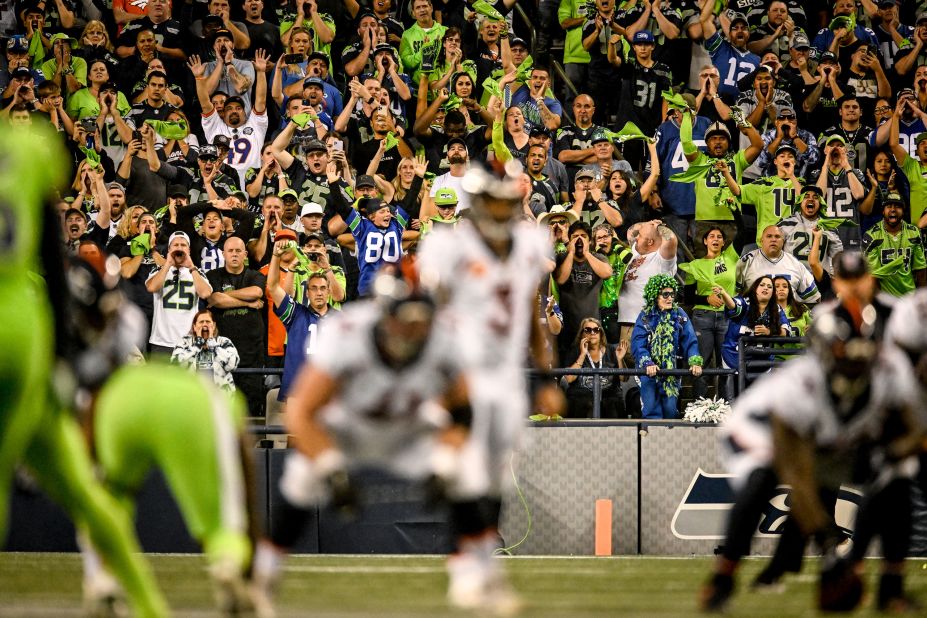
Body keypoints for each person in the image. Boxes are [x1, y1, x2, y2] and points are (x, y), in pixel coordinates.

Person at [253, 267, 504, 612]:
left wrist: (445, 462)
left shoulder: (446, 336)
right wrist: (331, 467)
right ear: (384, 312)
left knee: (469, 470)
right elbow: (300, 411)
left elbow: (463, 410)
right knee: (302, 478)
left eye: (422, 318)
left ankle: (470, 574)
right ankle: (263, 574)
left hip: (411, 427)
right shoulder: (346, 332)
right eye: (406, 318)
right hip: (351, 427)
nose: (414, 329)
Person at [699, 254, 913, 613]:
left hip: (827, 431)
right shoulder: (801, 385)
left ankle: (891, 584)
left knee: (895, 477)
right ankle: (723, 577)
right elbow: (797, 470)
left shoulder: (891, 373)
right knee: (764, 477)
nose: (852, 367)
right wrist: (827, 541)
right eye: (843, 357)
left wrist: (899, 448)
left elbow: (912, 428)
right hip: (761, 429)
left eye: (860, 358)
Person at [417, 160, 564, 608]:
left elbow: (531, 312)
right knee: (465, 465)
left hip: (504, 374)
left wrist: (544, 377)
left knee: (495, 475)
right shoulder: (450, 246)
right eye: (492, 202)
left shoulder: (528, 245)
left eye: (506, 202)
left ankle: (482, 562)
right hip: (460, 364)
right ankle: (466, 564)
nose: (500, 212)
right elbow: (429, 307)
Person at [267, 236, 333, 402]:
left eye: (323, 288)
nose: (319, 292)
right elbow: (273, 287)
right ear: (307, 292)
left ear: (328, 292)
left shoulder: (340, 321)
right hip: (297, 390)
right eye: (314, 288)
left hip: (329, 392)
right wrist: (276, 257)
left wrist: (327, 268)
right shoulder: (294, 314)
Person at [206, 237, 268, 413]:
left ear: (245, 254)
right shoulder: (213, 276)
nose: (234, 254)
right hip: (221, 352)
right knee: (222, 407)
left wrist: (227, 296)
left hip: (252, 352)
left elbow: (256, 291)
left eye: (238, 251)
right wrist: (248, 303)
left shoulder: (255, 275)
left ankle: (252, 441)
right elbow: (215, 299)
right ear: (223, 254)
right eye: (231, 251)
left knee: (251, 406)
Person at [631, 274, 702, 419]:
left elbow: (690, 339)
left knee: (670, 411)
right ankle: (651, 440)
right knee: (651, 409)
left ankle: (668, 439)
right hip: (648, 372)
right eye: (665, 294)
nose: (670, 298)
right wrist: (647, 362)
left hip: (671, 370)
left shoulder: (680, 314)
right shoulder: (645, 316)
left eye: (672, 294)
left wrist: (695, 361)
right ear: (654, 296)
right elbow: (638, 344)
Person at [715, 275, 792, 390]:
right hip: (734, 359)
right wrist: (724, 294)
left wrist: (770, 331)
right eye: (762, 285)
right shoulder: (745, 302)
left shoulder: (777, 309)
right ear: (755, 288)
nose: (765, 288)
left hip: (762, 364)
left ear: (773, 292)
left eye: (769, 287)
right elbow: (733, 306)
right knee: (735, 398)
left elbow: (787, 332)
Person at [145, 231, 214, 355]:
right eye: (175, 245)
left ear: (189, 250)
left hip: (189, 342)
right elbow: (151, 287)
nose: (179, 248)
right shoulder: (160, 270)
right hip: (161, 342)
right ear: (169, 249)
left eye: (183, 245)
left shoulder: (196, 272)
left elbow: (205, 294)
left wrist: (191, 267)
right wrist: (167, 265)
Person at [616, 220, 677, 357]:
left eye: (641, 236)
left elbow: (671, 238)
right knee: (628, 370)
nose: (636, 237)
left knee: (650, 368)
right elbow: (630, 231)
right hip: (627, 323)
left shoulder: (662, 259)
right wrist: (648, 223)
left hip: (650, 323)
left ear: (650, 242)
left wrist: (659, 227)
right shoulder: (635, 252)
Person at [554, 220, 614, 351]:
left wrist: (587, 253)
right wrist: (570, 252)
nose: (579, 240)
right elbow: (560, 279)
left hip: (592, 329)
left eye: (583, 236)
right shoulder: (561, 258)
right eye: (575, 237)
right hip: (567, 327)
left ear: (590, 241)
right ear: (569, 240)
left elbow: (607, 273)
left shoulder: (599, 257)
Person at [862, 191, 927, 296]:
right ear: (883, 211)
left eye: (897, 206)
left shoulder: (913, 233)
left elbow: (921, 270)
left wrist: (921, 299)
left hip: (909, 297)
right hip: (885, 299)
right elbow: (873, 277)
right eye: (888, 206)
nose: (893, 210)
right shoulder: (872, 236)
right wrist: (881, 303)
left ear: (903, 211)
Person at [737, 225, 821, 304]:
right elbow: (733, 292)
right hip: (755, 316)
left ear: (783, 241)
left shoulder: (794, 263)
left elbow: (813, 297)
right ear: (761, 240)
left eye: (777, 236)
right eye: (769, 236)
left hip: (787, 317)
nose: (773, 239)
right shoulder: (747, 261)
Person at [561, 317, 627, 418]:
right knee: (582, 402)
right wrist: (582, 355)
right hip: (582, 399)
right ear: (582, 334)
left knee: (612, 403)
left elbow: (624, 378)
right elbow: (569, 379)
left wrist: (620, 359)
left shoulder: (612, 350)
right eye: (588, 330)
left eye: (596, 330)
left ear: (601, 334)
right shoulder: (575, 351)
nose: (592, 333)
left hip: (609, 398)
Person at [171, 309, 241, 392]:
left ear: (214, 326)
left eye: (208, 322)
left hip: (220, 396)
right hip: (192, 395)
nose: (204, 325)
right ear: (194, 327)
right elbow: (175, 365)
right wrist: (197, 345)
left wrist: (213, 345)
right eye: (201, 322)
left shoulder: (224, 342)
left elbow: (232, 365)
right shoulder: (185, 342)